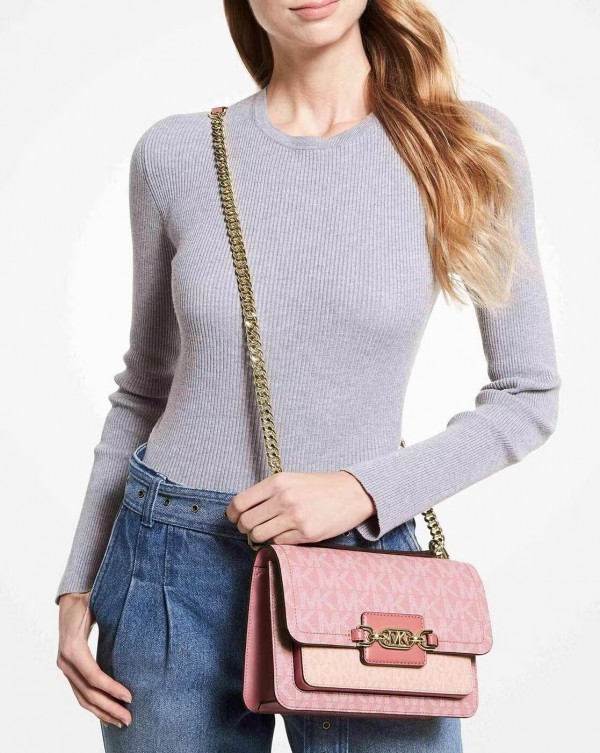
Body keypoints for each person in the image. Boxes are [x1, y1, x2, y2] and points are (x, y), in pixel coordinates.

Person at [55, 1, 561, 751]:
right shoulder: (178, 153)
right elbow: (143, 391)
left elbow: (529, 395)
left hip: (365, 562)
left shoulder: (463, 144)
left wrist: (361, 491)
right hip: (170, 570)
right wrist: (77, 584)